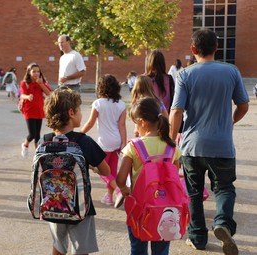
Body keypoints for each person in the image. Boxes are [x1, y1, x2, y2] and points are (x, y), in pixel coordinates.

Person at [169, 28, 249, 254]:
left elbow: (176, 111)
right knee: (224, 188)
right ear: (217, 48)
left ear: (193, 49)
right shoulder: (231, 71)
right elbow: (243, 105)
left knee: (193, 192)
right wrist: (231, 122)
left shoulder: (185, 74)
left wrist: (172, 139)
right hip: (222, 145)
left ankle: (197, 237)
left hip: (192, 146)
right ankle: (223, 223)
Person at [43, 87, 110, 255]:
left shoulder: (45, 141)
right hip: (80, 207)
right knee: (81, 248)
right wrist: (93, 167)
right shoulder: (84, 141)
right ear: (71, 113)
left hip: (54, 204)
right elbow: (106, 171)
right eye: (80, 110)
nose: (82, 113)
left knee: (58, 245)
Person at [116, 97, 182, 255]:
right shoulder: (172, 147)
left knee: (138, 248)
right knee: (161, 250)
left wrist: (126, 191)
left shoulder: (133, 147)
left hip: (140, 207)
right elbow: (175, 178)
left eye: (135, 122)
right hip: (166, 208)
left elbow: (120, 179)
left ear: (142, 122)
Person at [81, 74, 126, 208]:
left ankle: (118, 191)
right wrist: (124, 142)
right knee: (111, 170)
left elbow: (90, 123)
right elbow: (122, 125)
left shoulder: (98, 103)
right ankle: (109, 197)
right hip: (117, 141)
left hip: (104, 143)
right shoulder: (121, 104)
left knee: (101, 170)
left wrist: (79, 134)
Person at [20, 63, 51, 158]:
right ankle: (25, 144)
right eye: (34, 71)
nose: (36, 73)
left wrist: (41, 83)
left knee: (37, 134)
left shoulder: (41, 82)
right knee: (32, 134)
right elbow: (22, 95)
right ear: (29, 72)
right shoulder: (25, 83)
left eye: (38, 71)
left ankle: (38, 155)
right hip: (29, 110)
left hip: (39, 110)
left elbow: (49, 93)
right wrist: (28, 96)